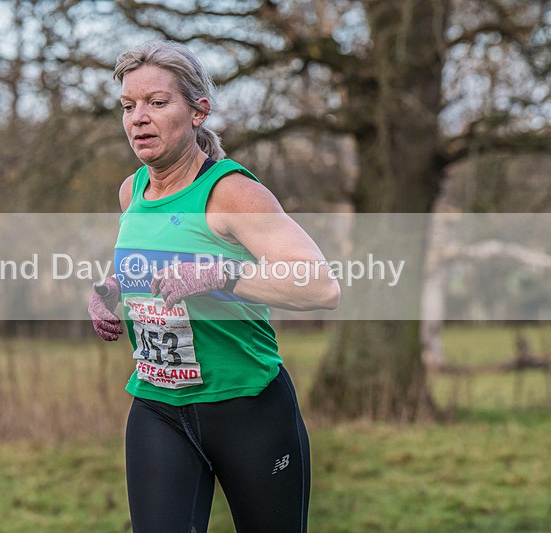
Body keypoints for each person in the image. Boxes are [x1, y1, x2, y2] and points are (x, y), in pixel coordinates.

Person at [88, 40, 340, 533]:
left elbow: (321, 287)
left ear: (198, 110)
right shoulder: (132, 190)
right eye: (128, 106)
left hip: (247, 408)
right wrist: (109, 290)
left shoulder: (232, 192)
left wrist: (221, 274)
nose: (138, 118)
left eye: (157, 103)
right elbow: (149, 258)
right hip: (158, 407)